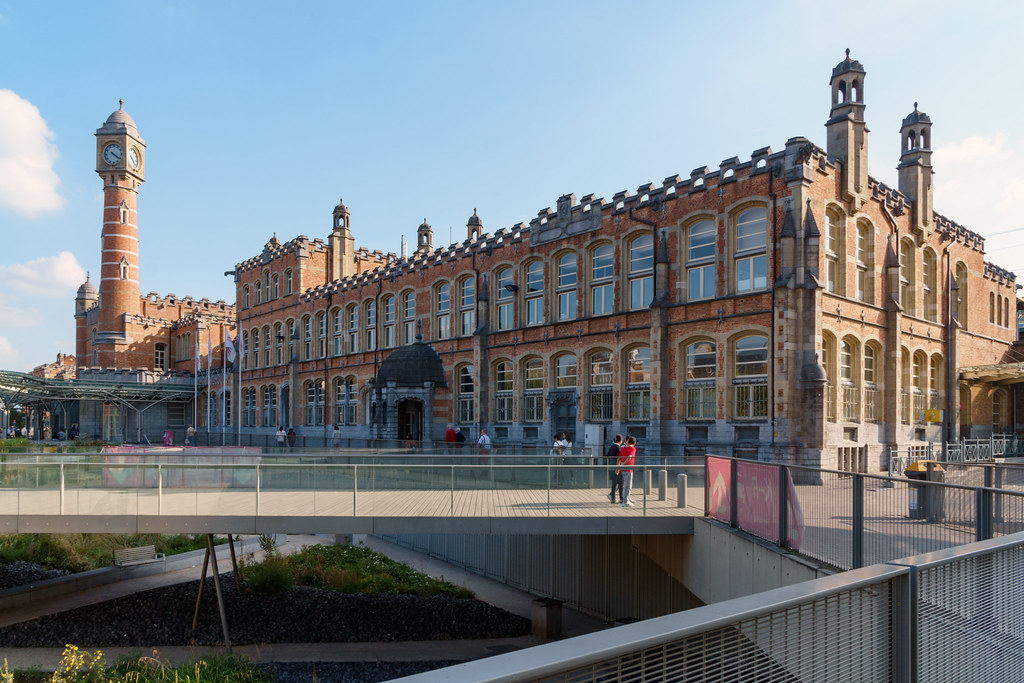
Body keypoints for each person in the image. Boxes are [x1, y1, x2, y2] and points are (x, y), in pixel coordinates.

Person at [617, 435, 637, 507]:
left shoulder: (623, 448)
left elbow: (619, 458)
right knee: (628, 486)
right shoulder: (633, 449)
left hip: (622, 469)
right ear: (634, 443)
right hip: (628, 469)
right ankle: (625, 502)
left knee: (625, 485)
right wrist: (624, 463)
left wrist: (618, 467)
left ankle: (627, 498)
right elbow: (630, 457)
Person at [606, 434, 623, 503]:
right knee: (621, 482)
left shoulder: (611, 447)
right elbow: (619, 458)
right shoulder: (618, 448)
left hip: (611, 466)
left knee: (614, 482)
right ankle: (620, 498)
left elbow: (607, 456)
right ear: (620, 441)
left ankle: (612, 497)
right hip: (616, 467)